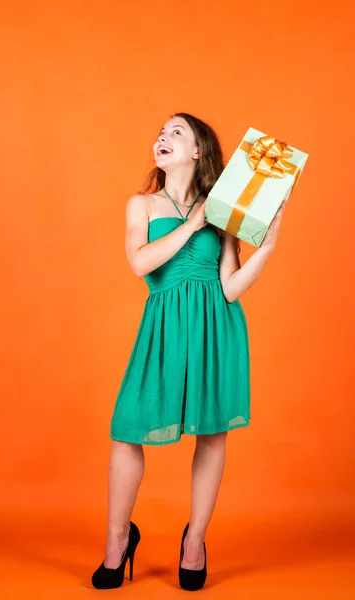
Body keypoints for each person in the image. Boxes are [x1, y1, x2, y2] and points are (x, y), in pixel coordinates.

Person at [91, 113, 287, 591]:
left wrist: (268, 244)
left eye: (176, 131)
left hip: (215, 328)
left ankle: (195, 540)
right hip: (162, 329)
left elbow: (232, 287)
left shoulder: (222, 212)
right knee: (127, 429)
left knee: (213, 434)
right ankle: (119, 538)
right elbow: (141, 263)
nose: (163, 136)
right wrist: (195, 222)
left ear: (199, 150)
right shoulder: (141, 205)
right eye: (159, 131)